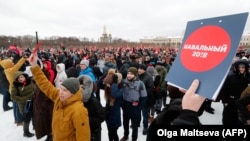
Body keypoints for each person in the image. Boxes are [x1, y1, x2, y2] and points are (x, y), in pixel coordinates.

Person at [28, 51, 91, 141]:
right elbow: (45, 84)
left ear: (73, 93)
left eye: (65, 90)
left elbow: (84, 137)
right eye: (61, 88)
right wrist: (34, 66)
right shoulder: (59, 97)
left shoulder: (79, 110)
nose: (61, 92)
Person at [120, 67, 147, 141]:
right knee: (125, 123)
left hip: (135, 106)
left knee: (134, 125)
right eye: (128, 73)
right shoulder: (123, 82)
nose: (129, 75)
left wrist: (139, 108)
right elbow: (119, 93)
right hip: (126, 105)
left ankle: (134, 138)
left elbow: (144, 97)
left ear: (135, 75)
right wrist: (122, 104)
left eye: (131, 74)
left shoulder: (140, 83)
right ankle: (126, 135)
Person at [220, 59, 250, 125]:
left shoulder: (248, 77)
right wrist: (224, 101)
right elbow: (224, 89)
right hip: (231, 101)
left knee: (240, 120)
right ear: (236, 67)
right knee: (228, 118)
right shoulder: (230, 76)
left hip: (242, 103)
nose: (241, 69)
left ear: (246, 68)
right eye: (239, 67)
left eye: (243, 67)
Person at [78, 75, 105, 141]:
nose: (80, 90)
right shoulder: (76, 100)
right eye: (79, 87)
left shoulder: (94, 101)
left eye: (83, 88)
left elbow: (101, 117)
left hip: (93, 133)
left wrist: (86, 120)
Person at [11, 71, 35, 137]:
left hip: (34, 102)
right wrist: (24, 99)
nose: (20, 79)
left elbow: (35, 88)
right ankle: (26, 132)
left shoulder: (30, 81)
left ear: (25, 76)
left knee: (34, 115)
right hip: (25, 105)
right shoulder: (16, 85)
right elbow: (13, 97)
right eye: (18, 78)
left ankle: (35, 127)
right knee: (27, 118)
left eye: (21, 77)